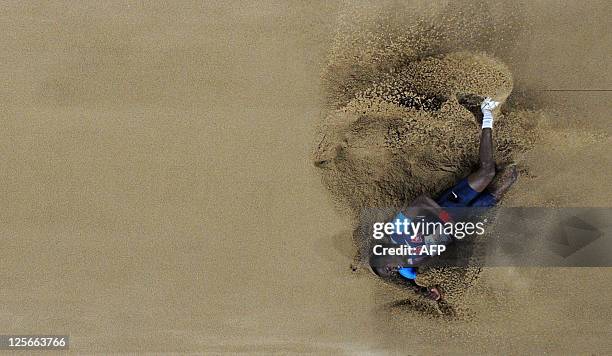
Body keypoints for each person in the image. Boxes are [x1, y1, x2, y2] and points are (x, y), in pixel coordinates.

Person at [371, 97, 518, 301]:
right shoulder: (408, 270)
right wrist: (430, 293)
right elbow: (423, 284)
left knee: (487, 173)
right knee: (501, 188)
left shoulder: (398, 230)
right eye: (391, 272)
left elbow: (421, 202)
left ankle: (486, 114)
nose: (393, 268)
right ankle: (520, 159)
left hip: (452, 203)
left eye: (386, 265)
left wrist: (444, 217)